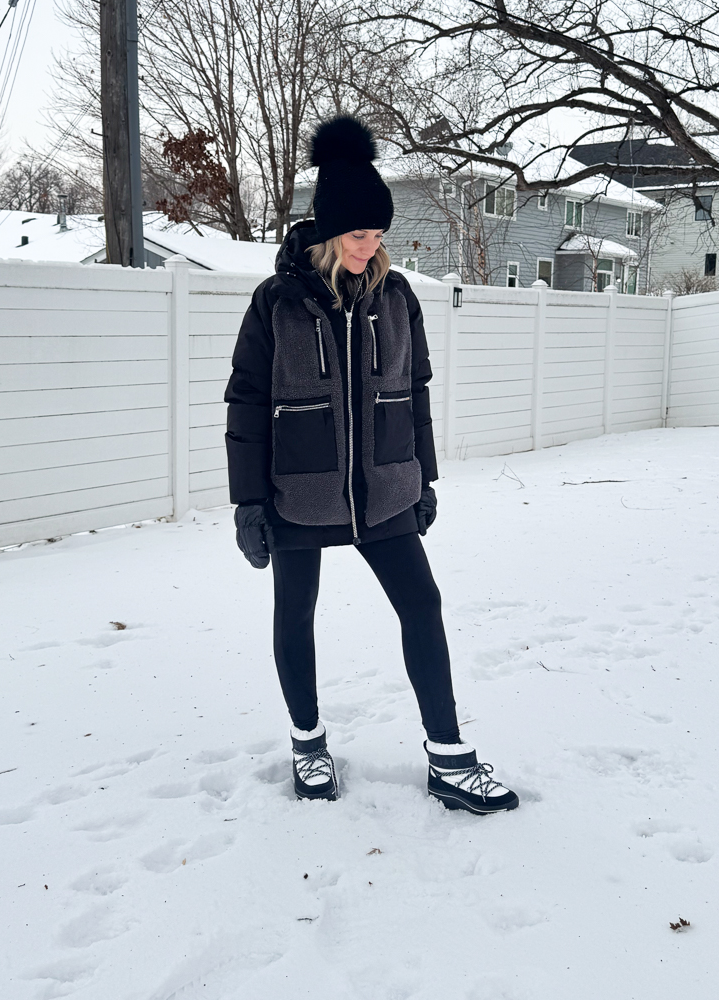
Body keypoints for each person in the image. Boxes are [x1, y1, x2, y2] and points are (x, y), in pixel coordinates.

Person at [224, 116, 518, 815]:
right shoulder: (277, 304)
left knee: (423, 604)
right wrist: (248, 503)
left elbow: (413, 392)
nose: (371, 248)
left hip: (384, 489)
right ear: (328, 231)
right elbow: (246, 401)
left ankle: (449, 757)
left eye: (379, 235)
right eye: (359, 235)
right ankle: (308, 742)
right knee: (295, 615)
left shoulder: (397, 298)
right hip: (298, 491)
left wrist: (425, 477)